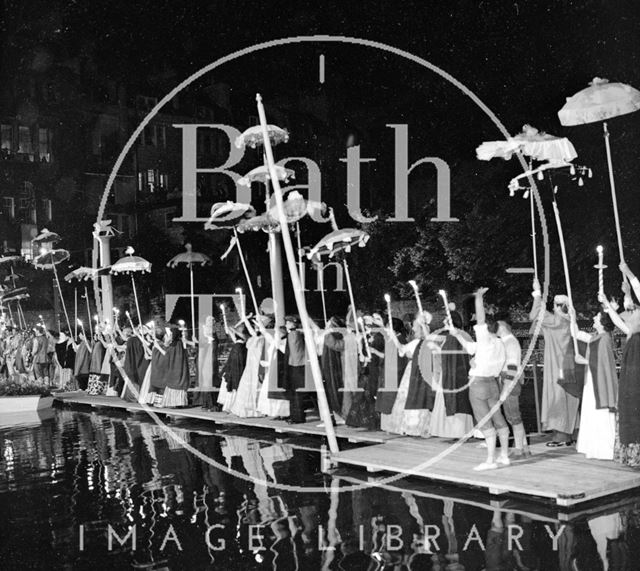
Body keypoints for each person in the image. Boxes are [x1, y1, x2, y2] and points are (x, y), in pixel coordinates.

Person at [450, 287, 509, 471]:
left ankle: (490, 460)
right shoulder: (499, 343)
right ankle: (504, 456)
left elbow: (480, 318)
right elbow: (470, 348)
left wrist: (478, 298)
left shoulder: (484, 339)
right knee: (498, 419)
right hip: (493, 383)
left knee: (484, 421)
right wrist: (457, 334)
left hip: (478, 385)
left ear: (485, 329)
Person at [529, 279, 580, 447]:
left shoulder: (557, 321)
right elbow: (536, 323)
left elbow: (534, 315)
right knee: (566, 398)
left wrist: (537, 293)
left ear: (558, 307)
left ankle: (561, 437)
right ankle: (570, 434)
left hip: (558, 367)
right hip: (566, 366)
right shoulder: (565, 322)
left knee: (558, 398)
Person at [601, 263, 640, 466]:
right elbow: (618, 320)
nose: (631, 315)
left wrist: (628, 273)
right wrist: (606, 303)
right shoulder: (631, 334)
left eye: (634, 313)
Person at [573, 309, 618, 460]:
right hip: (592, 380)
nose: (593, 317)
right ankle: (594, 448)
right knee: (591, 411)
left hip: (599, 382)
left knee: (600, 413)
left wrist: (584, 361)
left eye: (597, 316)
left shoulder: (604, 339)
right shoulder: (596, 337)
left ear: (603, 322)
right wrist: (572, 315)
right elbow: (577, 334)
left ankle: (605, 449)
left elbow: (603, 363)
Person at [383, 312, 432, 436]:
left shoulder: (427, 341)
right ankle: (408, 427)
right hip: (411, 372)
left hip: (421, 373)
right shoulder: (415, 342)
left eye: (415, 326)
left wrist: (423, 323)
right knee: (406, 398)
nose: (413, 328)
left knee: (419, 398)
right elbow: (402, 349)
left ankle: (420, 427)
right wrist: (393, 336)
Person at [428, 310, 474, 439]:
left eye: (445, 320)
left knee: (456, 401)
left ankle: (456, 431)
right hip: (455, 372)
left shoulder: (456, 336)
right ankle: (457, 431)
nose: (443, 323)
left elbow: (452, 354)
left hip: (455, 373)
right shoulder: (457, 335)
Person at [496, 311, 529, 457]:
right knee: (512, 415)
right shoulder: (507, 341)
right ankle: (524, 447)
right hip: (507, 379)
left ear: (501, 326)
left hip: (509, 380)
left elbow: (512, 367)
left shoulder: (510, 342)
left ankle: (519, 449)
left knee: (513, 416)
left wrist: (505, 387)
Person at [279, 315, 307, 424]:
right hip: (296, 365)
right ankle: (295, 415)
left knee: (295, 393)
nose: (286, 325)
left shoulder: (293, 335)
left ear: (292, 324)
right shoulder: (296, 334)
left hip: (295, 366)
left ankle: (297, 417)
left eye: (287, 323)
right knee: (295, 393)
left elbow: (293, 351)